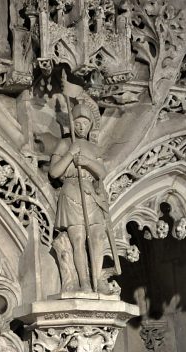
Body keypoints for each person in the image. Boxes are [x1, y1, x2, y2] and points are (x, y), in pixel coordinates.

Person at [49, 100, 109, 293]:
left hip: (91, 194)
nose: (81, 126)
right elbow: (55, 172)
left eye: (85, 122)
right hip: (71, 192)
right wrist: (70, 154)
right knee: (78, 238)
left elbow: (102, 172)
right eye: (77, 122)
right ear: (72, 124)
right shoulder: (65, 143)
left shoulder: (93, 147)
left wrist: (87, 161)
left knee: (98, 236)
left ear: (91, 125)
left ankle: (97, 278)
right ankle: (83, 281)